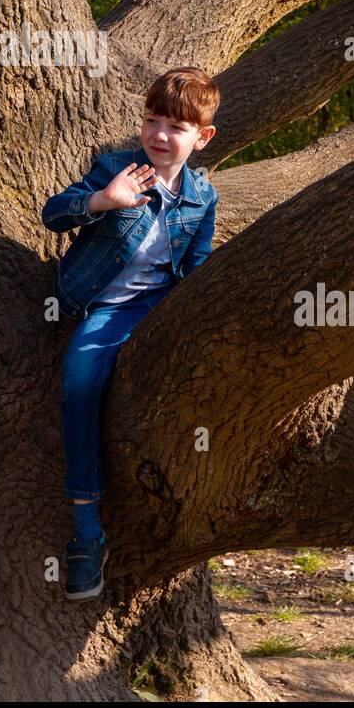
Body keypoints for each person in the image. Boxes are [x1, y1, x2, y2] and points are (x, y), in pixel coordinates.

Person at [41, 66, 221, 600]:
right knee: (79, 385)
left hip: (161, 304)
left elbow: (200, 264)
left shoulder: (202, 196)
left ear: (202, 137)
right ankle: (86, 534)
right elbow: (54, 214)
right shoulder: (116, 169)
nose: (160, 135)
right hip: (109, 306)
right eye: (152, 120)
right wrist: (102, 200)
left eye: (176, 127)